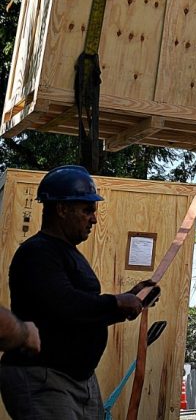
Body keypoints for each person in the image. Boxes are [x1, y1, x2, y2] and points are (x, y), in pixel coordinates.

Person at [0, 165, 157, 419]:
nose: (94, 219)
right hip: (45, 379)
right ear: (62, 209)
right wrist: (116, 303)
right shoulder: (38, 253)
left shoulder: (66, 252)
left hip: (79, 380)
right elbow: (64, 306)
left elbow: (84, 308)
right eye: (87, 211)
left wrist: (131, 299)